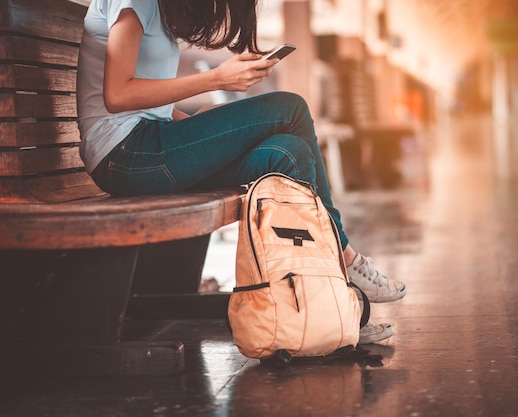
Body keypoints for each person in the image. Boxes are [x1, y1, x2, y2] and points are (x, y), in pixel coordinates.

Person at [76, 0, 406, 344]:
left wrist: (199, 130)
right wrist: (215, 79)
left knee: (287, 152)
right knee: (290, 108)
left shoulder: (155, 10)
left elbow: (147, 106)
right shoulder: (134, 2)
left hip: (147, 149)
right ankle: (345, 258)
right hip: (126, 157)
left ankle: (331, 308)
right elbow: (117, 95)